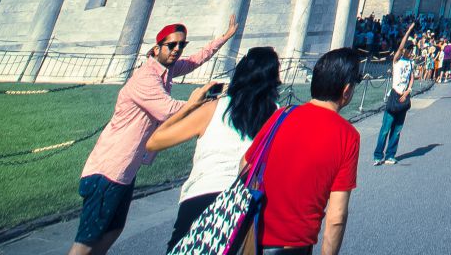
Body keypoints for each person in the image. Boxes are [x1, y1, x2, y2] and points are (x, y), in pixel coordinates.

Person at [69, 16, 237, 255]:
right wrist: (204, 101)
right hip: (109, 169)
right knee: (87, 241)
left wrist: (225, 37)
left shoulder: (165, 71)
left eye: (182, 45)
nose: (177, 50)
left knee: (113, 230)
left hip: (126, 170)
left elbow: (193, 62)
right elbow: (167, 110)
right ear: (157, 48)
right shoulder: (146, 78)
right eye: (172, 45)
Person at [146, 46, 280, 249]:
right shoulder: (278, 116)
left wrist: (191, 105)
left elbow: (155, 141)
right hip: (245, 203)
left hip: (201, 196)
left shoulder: (213, 109)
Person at [242, 47, 361, 255]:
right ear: (347, 90)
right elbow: (337, 216)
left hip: (252, 235)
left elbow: (245, 166)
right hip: (293, 245)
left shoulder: (282, 114)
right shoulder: (348, 136)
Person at [373, 23, 416, 165]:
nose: (410, 51)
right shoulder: (397, 60)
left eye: (411, 49)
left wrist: (408, 91)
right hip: (394, 95)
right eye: (409, 49)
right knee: (385, 128)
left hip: (404, 96)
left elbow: (411, 79)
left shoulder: (411, 63)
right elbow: (400, 47)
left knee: (397, 129)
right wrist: (409, 30)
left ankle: (390, 155)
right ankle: (378, 155)